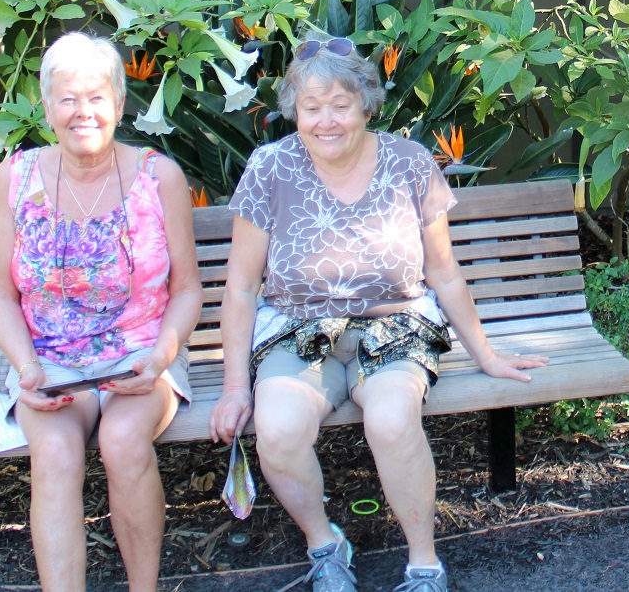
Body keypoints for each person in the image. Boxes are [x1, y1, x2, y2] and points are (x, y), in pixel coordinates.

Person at [209, 35, 547, 592]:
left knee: (391, 421)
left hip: (396, 326)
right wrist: (232, 387)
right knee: (278, 429)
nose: (326, 121)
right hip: (297, 329)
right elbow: (242, 288)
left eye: (340, 105)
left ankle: (423, 565)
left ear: (366, 105)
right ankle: (325, 546)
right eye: (311, 108)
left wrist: (485, 355)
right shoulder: (270, 167)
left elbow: (443, 273)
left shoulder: (409, 163)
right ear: (294, 111)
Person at [0, 32, 202, 592]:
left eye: (97, 97)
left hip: (141, 354)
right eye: (68, 98)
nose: (84, 112)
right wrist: (27, 368)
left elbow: (186, 290)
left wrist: (161, 356)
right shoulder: (15, 179)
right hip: (50, 360)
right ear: (46, 107)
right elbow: (0, 295)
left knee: (123, 442)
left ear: (120, 104)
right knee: (55, 453)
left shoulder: (159, 176)